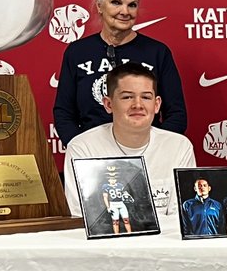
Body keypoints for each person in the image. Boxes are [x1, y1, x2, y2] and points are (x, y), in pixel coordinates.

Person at [53, 0, 187, 145]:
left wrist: (154, 149)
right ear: (100, 6)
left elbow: (176, 114)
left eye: (132, 5)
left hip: (146, 154)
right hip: (91, 156)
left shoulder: (157, 52)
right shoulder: (77, 52)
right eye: (116, 3)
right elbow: (64, 112)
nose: (125, 11)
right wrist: (82, 150)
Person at [64, 64, 196, 219]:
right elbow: (80, 217)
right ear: (108, 104)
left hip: (163, 242)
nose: (137, 105)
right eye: (127, 97)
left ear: (156, 104)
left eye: (146, 97)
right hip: (104, 243)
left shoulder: (179, 146)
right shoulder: (82, 148)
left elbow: (180, 218)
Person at [100, 167, 134, 234]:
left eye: (114, 179)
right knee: (115, 221)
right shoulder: (106, 186)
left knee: (126, 220)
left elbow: (124, 193)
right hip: (113, 204)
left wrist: (128, 197)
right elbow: (105, 197)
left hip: (121, 203)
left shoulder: (120, 185)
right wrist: (108, 207)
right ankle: (116, 234)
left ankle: (130, 233)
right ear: (108, 180)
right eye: (111, 179)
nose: (112, 180)